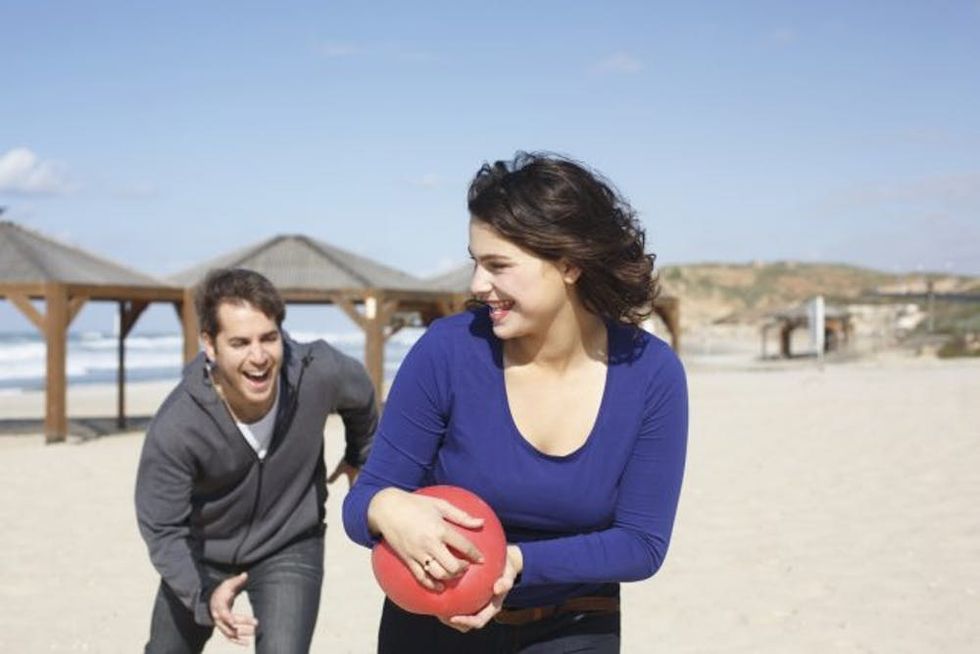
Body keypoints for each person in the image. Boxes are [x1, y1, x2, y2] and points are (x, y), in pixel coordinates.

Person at [342, 152, 688, 653]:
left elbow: (641, 544)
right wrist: (386, 506)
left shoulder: (651, 374)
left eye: (498, 265)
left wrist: (513, 562)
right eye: (476, 262)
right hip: (432, 629)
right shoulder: (446, 351)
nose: (477, 285)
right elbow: (361, 504)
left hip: (575, 628)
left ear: (569, 263)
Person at [136, 268, 378, 653]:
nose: (259, 356)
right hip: (203, 552)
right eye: (240, 343)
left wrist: (360, 455)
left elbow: (362, 393)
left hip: (290, 541)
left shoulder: (317, 372)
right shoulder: (179, 424)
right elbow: (163, 528)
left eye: (269, 338)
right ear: (210, 346)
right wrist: (202, 595)